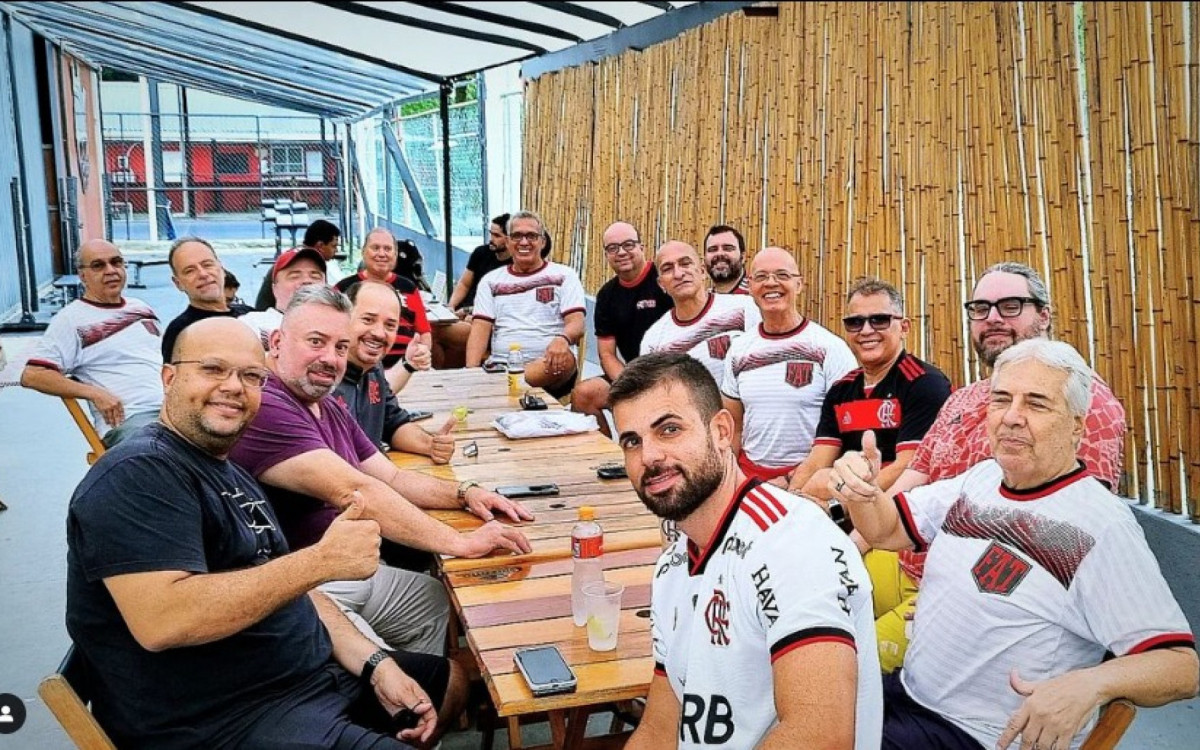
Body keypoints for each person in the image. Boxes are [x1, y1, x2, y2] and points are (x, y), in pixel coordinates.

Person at [67, 316, 464, 749]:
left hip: (305, 681)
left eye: (251, 376)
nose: (233, 387)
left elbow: (295, 591)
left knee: (449, 682)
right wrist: (320, 561)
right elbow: (164, 619)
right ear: (169, 378)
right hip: (225, 719)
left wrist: (375, 664)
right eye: (213, 369)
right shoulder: (138, 473)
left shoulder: (229, 470)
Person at [828, 339, 1197, 750]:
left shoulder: (1100, 525)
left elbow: (1181, 667)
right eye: (1001, 399)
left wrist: (1092, 684)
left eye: (1036, 404)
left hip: (975, 736)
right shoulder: (983, 479)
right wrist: (862, 493)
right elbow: (888, 529)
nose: (1012, 417)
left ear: (1077, 426)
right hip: (910, 694)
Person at [230, 285, 533, 655]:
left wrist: (466, 493)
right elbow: (357, 491)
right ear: (277, 342)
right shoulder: (268, 404)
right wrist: (461, 543)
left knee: (433, 600)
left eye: (340, 347)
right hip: (303, 585)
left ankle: (430, 682)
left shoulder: (325, 403)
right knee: (416, 662)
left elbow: (391, 477)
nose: (330, 358)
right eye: (316, 342)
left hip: (351, 568)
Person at [612, 352, 882, 750]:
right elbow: (660, 731)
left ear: (722, 431)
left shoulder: (793, 542)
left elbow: (820, 735)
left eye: (669, 429)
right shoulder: (672, 565)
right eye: (632, 441)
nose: (648, 456)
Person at [866, 262, 1129, 669]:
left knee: (846, 663)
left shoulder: (1083, 408)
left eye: (1010, 306)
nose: (991, 319)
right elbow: (912, 481)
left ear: (1044, 315)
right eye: (981, 308)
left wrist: (957, 604)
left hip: (972, 601)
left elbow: (1065, 542)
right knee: (810, 600)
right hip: (905, 560)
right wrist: (848, 544)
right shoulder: (965, 398)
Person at [788, 277, 951, 500]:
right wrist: (793, 503)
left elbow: (911, 466)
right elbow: (816, 462)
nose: (866, 330)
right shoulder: (840, 391)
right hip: (840, 497)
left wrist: (837, 503)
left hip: (897, 507)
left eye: (879, 320)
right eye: (855, 322)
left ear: (904, 328)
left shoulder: (925, 384)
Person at [720, 247, 857, 483]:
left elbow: (847, 428)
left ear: (799, 284)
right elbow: (735, 427)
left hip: (811, 480)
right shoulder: (739, 350)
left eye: (782, 275)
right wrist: (728, 479)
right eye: (761, 277)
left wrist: (795, 479)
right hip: (750, 479)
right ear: (750, 286)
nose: (771, 283)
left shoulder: (830, 348)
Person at [21, 239, 163, 447]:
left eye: (116, 262)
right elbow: (33, 375)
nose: (111, 270)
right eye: (98, 265)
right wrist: (94, 393)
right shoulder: (71, 320)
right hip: (134, 420)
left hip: (174, 411)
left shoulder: (141, 308)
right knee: (172, 449)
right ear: (82, 276)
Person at [465, 210, 586, 400]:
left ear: (542, 242)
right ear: (508, 242)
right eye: (517, 236)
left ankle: (501, 387)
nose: (524, 242)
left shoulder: (565, 275)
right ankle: (504, 386)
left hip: (549, 364)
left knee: (561, 359)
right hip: (501, 364)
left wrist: (563, 339)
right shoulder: (490, 281)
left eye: (531, 236)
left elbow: (577, 323)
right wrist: (470, 374)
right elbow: (480, 328)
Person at [334, 281, 456, 464]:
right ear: (344, 318)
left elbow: (393, 424)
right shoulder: (323, 377)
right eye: (368, 320)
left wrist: (431, 445)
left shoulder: (374, 370)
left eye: (390, 325)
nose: (379, 333)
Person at [569, 221, 673, 435]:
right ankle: (608, 453)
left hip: (672, 373)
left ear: (642, 247)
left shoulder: (665, 279)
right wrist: (631, 383)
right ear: (606, 255)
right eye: (613, 248)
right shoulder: (607, 295)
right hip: (634, 375)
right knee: (584, 395)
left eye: (628, 245)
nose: (622, 252)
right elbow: (607, 354)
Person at [639, 240, 760, 385]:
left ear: (702, 271)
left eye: (685, 263)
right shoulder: (654, 341)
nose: (678, 274)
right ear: (661, 284)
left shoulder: (744, 309)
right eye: (667, 269)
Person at [335, 229, 434, 388]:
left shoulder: (408, 287)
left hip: (407, 367)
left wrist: (421, 354)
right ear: (363, 252)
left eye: (388, 249)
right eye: (375, 248)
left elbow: (424, 332)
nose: (382, 254)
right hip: (355, 372)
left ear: (395, 255)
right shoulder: (343, 288)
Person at [160, 237, 253, 360]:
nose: (203, 274)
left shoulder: (251, 314)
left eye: (207, 265)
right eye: (190, 271)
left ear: (221, 269)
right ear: (178, 283)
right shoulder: (181, 332)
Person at [239, 246, 329, 347]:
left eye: (315, 276)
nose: (306, 281)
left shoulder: (338, 325)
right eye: (294, 276)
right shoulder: (251, 324)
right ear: (275, 288)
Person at [255, 219, 342, 310]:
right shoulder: (305, 263)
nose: (336, 250)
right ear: (320, 246)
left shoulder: (300, 256)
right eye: (334, 246)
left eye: (315, 276)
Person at [448, 213, 511, 315]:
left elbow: (500, 303)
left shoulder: (515, 264)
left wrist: (468, 310)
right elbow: (464, 284)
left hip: (484, 314)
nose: (491, 239)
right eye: (491, 234)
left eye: (497, 236)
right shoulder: (480, 252)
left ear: (509, 239)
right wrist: (451, 306)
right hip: (464, 310)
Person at [703, 224, 750, 294]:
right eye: (713, 249)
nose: (719, 254)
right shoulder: (703, 298)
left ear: (743, 257)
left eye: (728, 248)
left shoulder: (757, 295)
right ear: (704, 259)